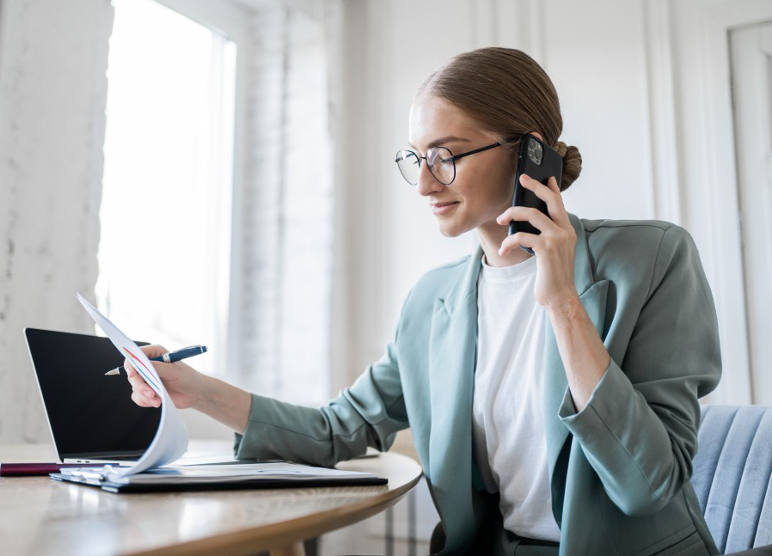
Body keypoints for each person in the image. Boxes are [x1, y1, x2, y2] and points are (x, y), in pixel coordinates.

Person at [125, 47, 722, 556]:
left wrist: (563, 301)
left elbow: (649, 484)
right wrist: (193, 390)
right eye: (417, 158)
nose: (425, 182)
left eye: (446, 156)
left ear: (529, 153)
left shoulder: (653, 259)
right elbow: (337, 429)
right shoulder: (432, 303)